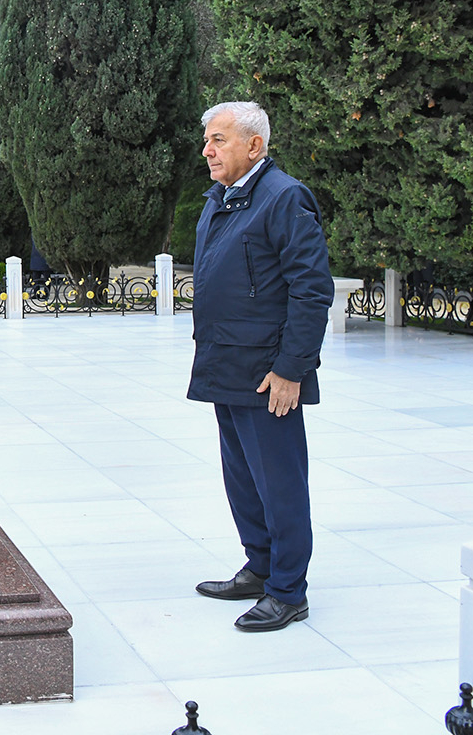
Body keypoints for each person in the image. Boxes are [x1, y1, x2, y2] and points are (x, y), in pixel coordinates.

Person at [188, 101, 333, 633]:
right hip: (225, 365)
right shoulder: (220, 200)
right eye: (207, 140)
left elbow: (312, 289)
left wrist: (292, 368)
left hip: (269, 374)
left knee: (280, 483)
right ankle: (261, 566)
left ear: (255, 145)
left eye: (219, 139)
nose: (207, 150)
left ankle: (289, 590)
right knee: (242, 478)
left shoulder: (284, 197)